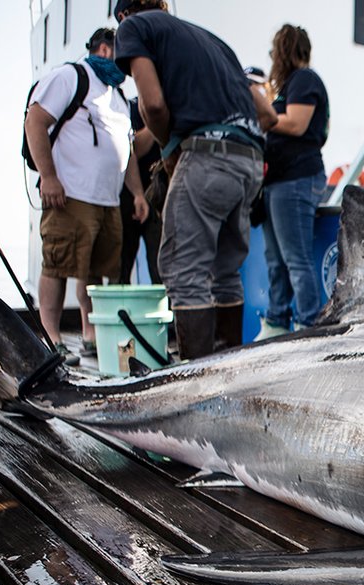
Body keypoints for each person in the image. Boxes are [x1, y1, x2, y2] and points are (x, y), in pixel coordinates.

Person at [114, 0, 277, 359]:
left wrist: (170, 147)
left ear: (124, 14)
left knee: (182, 269)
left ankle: (196, 378)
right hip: (249, 161)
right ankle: (227, 367)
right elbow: (267, 114)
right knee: (225, 271)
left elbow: (152, 105)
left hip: (208, 156)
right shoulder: (215, 44)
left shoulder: (134, 28)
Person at [25, 27, 148, 366]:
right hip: (70, 195)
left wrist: (137, 192)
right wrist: (49, 177)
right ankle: (50, 338)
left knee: (94, 271)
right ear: (103, 49)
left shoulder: (119, 96)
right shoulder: (71, 77)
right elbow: (35, 121)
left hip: (108, 201)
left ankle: (89, 333)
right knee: (58, 265)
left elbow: (129, 151)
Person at [255, 25, 329, 341]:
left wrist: (264, 115)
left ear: (284, 51)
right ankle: (276, 322)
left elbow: (297, 125)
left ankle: (308, 326)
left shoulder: (305, 80)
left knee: (296, 260)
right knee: (275, 260)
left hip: (297, 179)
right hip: (277, 181)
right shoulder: (284, 87)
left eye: (274, 52)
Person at [117, 97, 162, 284]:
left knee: (160, 266)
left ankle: (164, 312)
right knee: (121, 267)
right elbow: (133, 149)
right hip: (128, 197)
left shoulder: (176, 108)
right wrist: (155, 119)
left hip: (159, 201)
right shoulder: (132, 107)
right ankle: (119, 311)